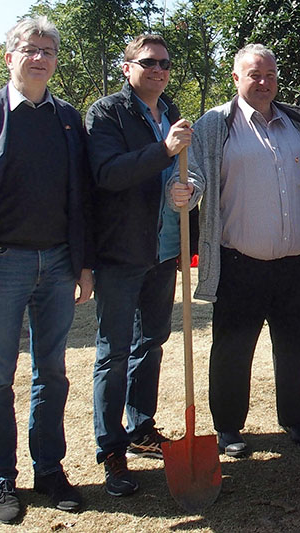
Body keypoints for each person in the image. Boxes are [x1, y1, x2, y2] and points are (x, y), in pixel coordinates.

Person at [0, 16, 91, 523]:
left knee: (52, 373)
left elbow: (80, 198)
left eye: (49, 50)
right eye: (30, 49)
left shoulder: (68, 119)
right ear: (10, 57)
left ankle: (49, 469)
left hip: (56, 265)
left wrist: (82, 264)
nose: (40, 57)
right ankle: (2, 477)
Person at [183, 43, 300, 458]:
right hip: (240, 264)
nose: (263, 83)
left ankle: (294, 418)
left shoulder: (294, 121)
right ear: (236, 77)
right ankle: (227, 427)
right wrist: (186, 191)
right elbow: (193, 174)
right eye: (254, 75)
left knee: (293, 345)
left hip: (296, 265)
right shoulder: (214, 124)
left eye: (270, 75)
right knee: (233, 348)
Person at [85, 34, 199, 496]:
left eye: (165, 64)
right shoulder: (107, 113)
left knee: (151, 342)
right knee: (113, 352)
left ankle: (140, 428)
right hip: (121, 252)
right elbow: (108, 174)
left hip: (163, 250)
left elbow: (182, 176)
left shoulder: (170, 112)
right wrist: (164, 151)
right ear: (127, 66)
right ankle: (110, 448)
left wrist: (188, 192)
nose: (159, 70)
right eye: (148, 62)